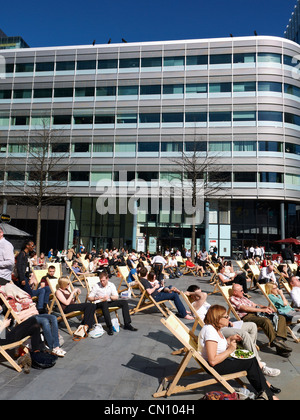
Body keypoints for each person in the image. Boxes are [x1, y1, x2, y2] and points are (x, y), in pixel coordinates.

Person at [185, 285, 280, 377]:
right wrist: (188, 293)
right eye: (198, 293)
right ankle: (259, 364)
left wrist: (226, 320)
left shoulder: (204, 303)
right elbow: (204, 295)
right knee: (243, 334)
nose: (201, 294)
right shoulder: (195, 304)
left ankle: (249, 352)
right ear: (193, 296)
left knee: (252, 326)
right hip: (217, 330)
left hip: (222, 325)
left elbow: (217, 315)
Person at [198, 305, 279, 400]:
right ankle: (269, 394)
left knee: (251, 359)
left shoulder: (215, 329)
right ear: (217, 318)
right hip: (216, 367)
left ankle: (265, 388)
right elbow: (212, 361)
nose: (228, 318)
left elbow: (217, 347)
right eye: (226, 316)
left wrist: (229, 340)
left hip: (220, 361)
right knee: (250, 362)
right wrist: (230, 349)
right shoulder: (210, 331)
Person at [229, 283, 292, 357]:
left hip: (256, 314)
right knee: (265, 321)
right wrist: (262, 310)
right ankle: (279, 347)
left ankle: (279, 339)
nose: (243, 292)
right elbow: (245, 308)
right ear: (235, 292)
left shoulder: (244, 297)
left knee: (281, 317)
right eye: (241, 291)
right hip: (247, 317)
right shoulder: (233, 298)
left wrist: (265, 307)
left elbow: (255, 305)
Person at [16, 240, 51, 313]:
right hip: (21, 279)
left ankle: (43, 306)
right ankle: (40, 309)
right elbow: (19, 267)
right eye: (32, 246)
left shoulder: (26, 255)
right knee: (36, 292)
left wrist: (28, 276)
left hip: (25, 278)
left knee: (47, 288)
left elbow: (26, 268)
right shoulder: (21, 255)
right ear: (27, 246)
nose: (33, 247)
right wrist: (22, 279)